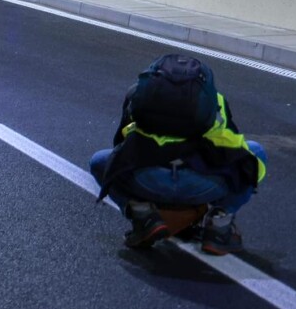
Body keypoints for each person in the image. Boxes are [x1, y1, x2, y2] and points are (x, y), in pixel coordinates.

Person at [89, 53, 267, 254]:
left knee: (100, 161)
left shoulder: (138, 96)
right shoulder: (215, 102)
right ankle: (219, 224)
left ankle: (143, 215)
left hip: (148, 182)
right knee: (255, 153)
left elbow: (120, 148)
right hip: (203, 186)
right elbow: (234, 149)